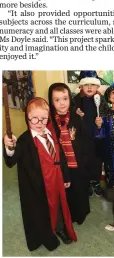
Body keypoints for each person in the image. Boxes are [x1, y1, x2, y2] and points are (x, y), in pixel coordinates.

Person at [4, 98, 77, 251]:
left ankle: (60, 228)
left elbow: (60, 156)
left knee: (59, 205)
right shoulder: (24, 141)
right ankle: (47, 234)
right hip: (39, 185)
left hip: (56, 179)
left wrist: (66, 176)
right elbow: (11, 161)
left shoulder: (50, 133)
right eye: (34, 118)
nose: (39, 122)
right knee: (43, 210)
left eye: (43, 118)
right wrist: (9, 147)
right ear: (27, 117)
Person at [48, 83, 91, 225]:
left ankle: (80, 214)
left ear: (69, 99)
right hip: (60, 166)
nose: (62, 103)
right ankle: (68, 216)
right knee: (65, 193)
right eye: (57, 100)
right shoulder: (48, 122)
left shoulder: (76, 118)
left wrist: (85, 161)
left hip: (78, 164)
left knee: (79, 189)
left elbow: (86, 141)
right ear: (51, 101)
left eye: (65, 99)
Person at [72, 70, 107, 197]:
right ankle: (86, 183)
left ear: (97, 86)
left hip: (96, 137)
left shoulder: (101, 101)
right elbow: (70, 118)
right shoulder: (76, 100)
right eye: (86, 85)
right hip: (82, 138)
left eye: (92, 85)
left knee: (96, 161)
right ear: (81, 86)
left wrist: (100, 123)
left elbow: (105, 117)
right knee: (84, 160)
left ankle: (95, 182)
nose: (89, 87)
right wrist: (77, 116)